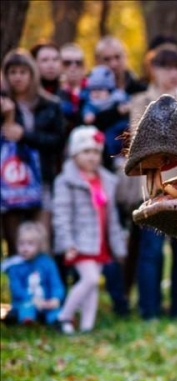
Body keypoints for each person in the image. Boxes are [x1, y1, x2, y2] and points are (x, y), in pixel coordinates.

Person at [128, 45, 177, 320]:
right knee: (151, 252)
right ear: (153, 69)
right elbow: (138, 141)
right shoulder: (141, 101)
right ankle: (149, 310)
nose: (173, 73)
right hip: (151, 185)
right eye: (167, 67)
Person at [53, 126, 126, 334]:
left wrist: (118, 246)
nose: (92, 157)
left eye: (96, 152)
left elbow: (112, 218)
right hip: (79, 242)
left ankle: (87, 326)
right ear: (74, 154)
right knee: (90, 279)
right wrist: (67, 243)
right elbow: (61, 215)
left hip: (100, 241)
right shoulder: (66, 181)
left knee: (92, 285)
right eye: (86, 152)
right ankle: (63, 317)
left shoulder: (107, 181)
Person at [1, 49, 65, 256]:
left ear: (32, 73)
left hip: (42, 180)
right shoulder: (3, 105)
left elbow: (57, 142)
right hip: (10, 184)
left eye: (22, 72)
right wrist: (7, 116)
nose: (17, 77)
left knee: (42, 240)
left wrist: (25, 135)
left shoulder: (51, 105)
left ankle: (45, 287)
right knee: (16, 245)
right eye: (12, 72)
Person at [1, 221, 64, 326]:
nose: (25, 248)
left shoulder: (47, 263)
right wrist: (32, 299)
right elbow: (16, 289)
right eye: (21, 244)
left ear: (39, 245)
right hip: (25, 302)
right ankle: (28, 322)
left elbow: (56, 284)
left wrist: (55, 298)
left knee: (55, 311)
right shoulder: (15, 265)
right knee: (26, 308)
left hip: (46, 302)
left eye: (30, 244)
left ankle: (58, 322)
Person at [57, 43, 87, 135]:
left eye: (78, 63)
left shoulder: (95, 91)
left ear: (84, 67)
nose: (73, 67)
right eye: (67, 63)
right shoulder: (52, 93)